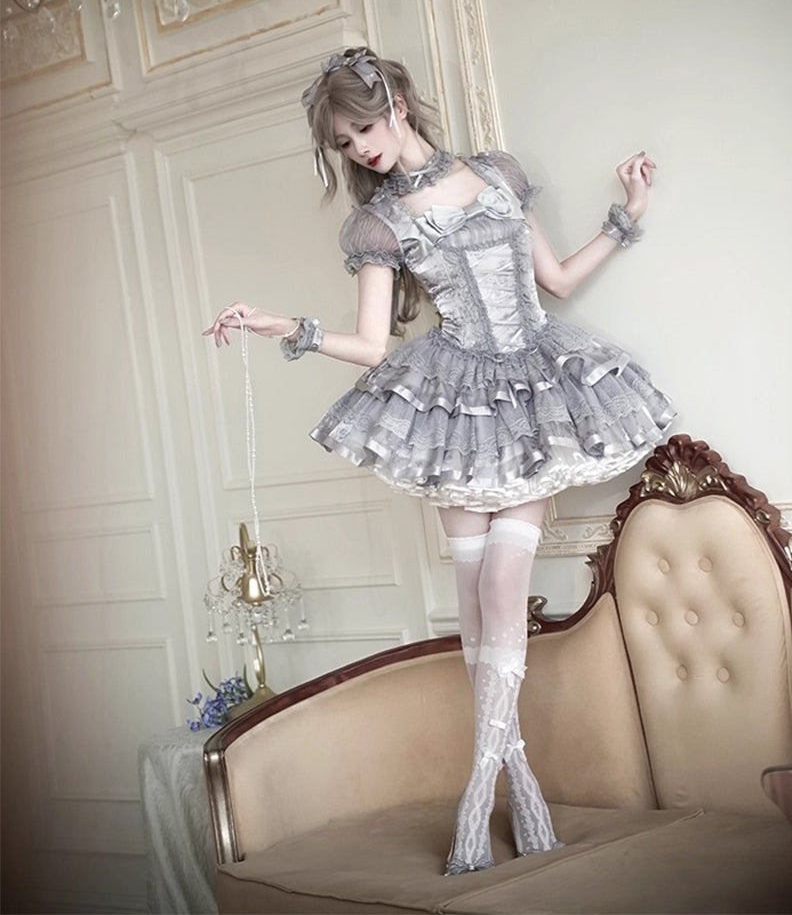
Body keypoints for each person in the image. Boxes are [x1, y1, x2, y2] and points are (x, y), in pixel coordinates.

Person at [205, 46, 675, 875]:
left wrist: (625, 214)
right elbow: (372, 344)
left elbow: (557, 280)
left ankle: (478, 793)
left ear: (394, 102)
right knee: (473, 601)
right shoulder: (379, 223)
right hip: (454, 404)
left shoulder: (498, 174)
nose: (359, 150)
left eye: (360, 130)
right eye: (343, 144)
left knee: (501, 587)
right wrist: (286, 327)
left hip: (533, 398)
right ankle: (523, 792)